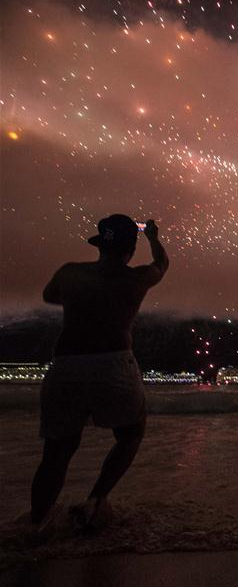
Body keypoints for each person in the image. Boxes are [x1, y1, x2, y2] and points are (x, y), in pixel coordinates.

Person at [30, 215, 169, 532]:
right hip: (114, 365)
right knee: (131, 434)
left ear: (100, 245)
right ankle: (95, 501)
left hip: (67, 366)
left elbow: (49, 296)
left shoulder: (70, 273)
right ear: (130, 249)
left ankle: (35, 526)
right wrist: (153, 237)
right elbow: (162, 263)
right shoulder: (136, 279)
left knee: (56, 453)